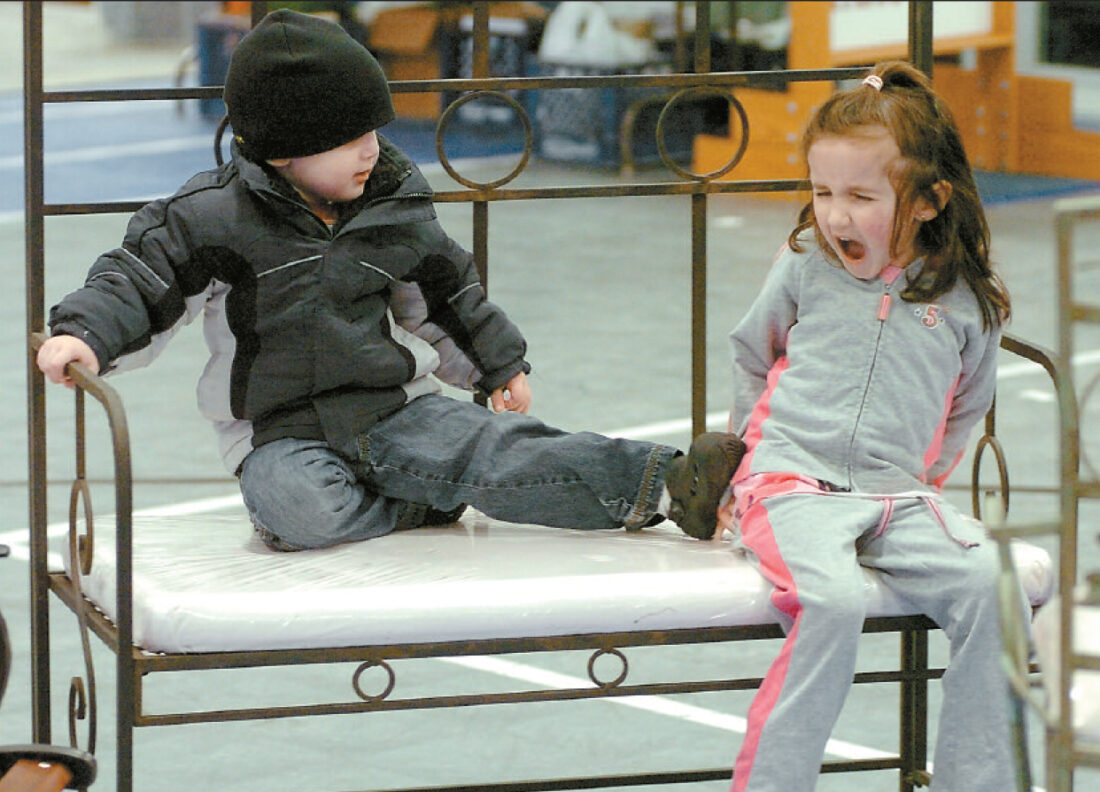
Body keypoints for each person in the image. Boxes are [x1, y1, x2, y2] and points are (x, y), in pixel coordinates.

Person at [35, 9, 744, 549]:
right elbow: (139, 279)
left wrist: (496, 363)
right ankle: (421, 499)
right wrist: (84, 336)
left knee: (497, 449)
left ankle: (671, 484)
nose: (372, 151)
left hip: (396, 409)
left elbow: (447, 292)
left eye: (374, 131)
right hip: (283, 434)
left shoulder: (392, 206)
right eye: (349, 140)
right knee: (299, 509)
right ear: (283, 151)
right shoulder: (211, 218)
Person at [718, 61, 1016, 791]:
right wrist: (740, 464)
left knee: (992, 585)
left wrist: (923, 479)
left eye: (860, 196)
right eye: (823, 193)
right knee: (832, 601)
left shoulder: (967, 298)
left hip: (898, 498)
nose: (836, 217)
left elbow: (968, 403)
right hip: (790, 485)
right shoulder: (805, 262)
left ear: (929, 200)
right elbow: (753, 354)